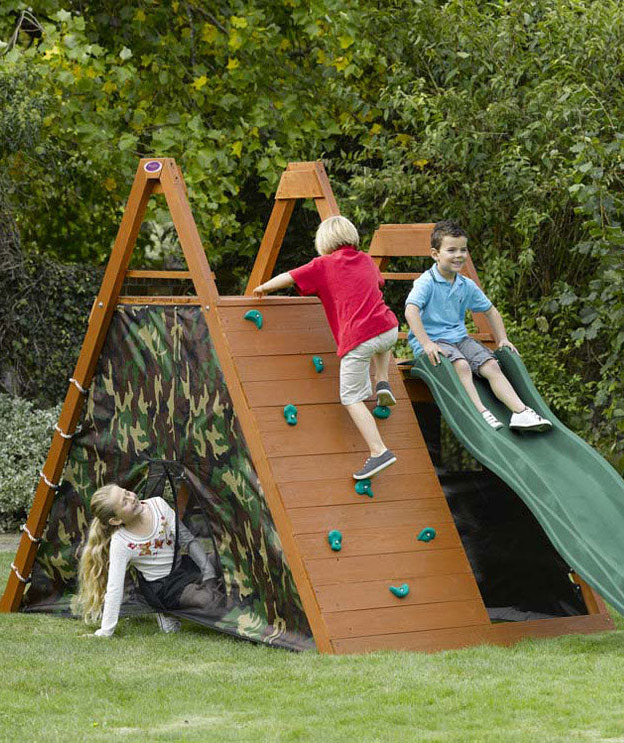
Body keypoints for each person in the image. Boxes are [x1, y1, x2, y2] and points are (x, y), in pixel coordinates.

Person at [252, 215, 400, 479]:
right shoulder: (366, 259)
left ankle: (379, 451)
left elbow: (289, 276)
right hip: (390, 329)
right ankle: (382, 380)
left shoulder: (323, 265)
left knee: (351, 398)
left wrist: (263, 287)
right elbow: (378, 284)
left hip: (358, 340)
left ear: (323, 242)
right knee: (380, 334)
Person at [404, 220, 551, 432]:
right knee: (462, 365)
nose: (459, 255)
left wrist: (502, 339)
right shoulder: (426, 282)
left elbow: (491, 311)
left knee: (491, 364)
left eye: (463, 250)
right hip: (433, 342)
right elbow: (411, 310)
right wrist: (425, 343)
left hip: (459, 339)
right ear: (435, 254)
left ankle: (520, 413)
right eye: (451, 250)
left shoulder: (465, 284)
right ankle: (480, 412)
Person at [72, 484, 222, 636]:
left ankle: (203, 589)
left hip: (182, 567)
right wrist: (105, 631)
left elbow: (187, 541)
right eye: (124, 502)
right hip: (164, 588)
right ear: (116, 520)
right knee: (209, 600)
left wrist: (209, 574)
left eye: (127, 492)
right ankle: (167, 611)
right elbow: (114, 589)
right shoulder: (122, 542)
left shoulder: (158, 505)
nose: (131, 498)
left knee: (223, 559)